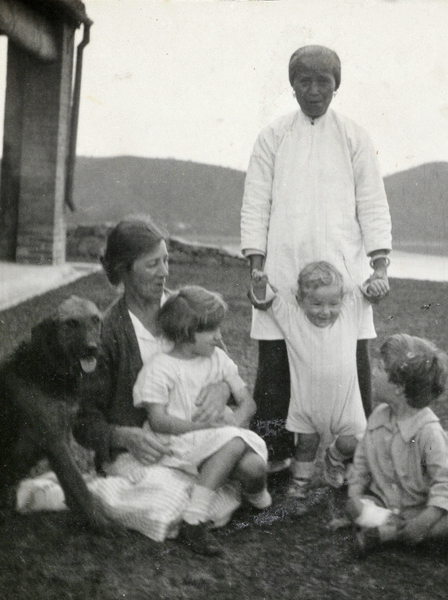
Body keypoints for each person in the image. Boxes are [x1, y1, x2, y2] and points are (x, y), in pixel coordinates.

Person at [240, 44, 392, 470]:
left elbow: (373, 203)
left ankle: (351, 457)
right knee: (275, 368)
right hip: (284, 271)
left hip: (341, 273)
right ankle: (274, 456)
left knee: (351, 364)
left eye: (322, 81)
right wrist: (256, 266)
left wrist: (380, 265)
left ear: (335, 86)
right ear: (291, 85)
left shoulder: (354, 136)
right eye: (303, 80)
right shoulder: (272, 136)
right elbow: (255, 203)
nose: (313, 90)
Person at [73, 215, 242, 545]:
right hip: (143, 455)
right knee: (166, 501)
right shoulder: (106, 333)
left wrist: (222, 389)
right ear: (123, 269)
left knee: (236, 466)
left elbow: (228, 370)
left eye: (165, 260)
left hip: (199, 442)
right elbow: (84, 423)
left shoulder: (187, 309)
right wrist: (126, 436)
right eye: (152, 265)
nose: (165, 272)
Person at [131, 285, 270, 555]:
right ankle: (194, 521)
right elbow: (158, 421)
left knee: (254, 467)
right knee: (232, 443)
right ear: (185, 334)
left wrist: (233, 425)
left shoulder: (218, 359)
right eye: (211, 331)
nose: (219, 337)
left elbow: (248, 403)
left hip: (219, 438)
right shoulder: (160, 368)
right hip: (180, 442)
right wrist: (207, 428)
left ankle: (256, 497)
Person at [251, 262, 379, 498]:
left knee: (356, 442)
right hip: (307, 404)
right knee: (306, 445)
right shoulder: (293, 319)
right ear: (300, 301)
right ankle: (301, 482)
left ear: (341, 300)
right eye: (317, 304)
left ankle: (335, 455)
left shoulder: (348, 316)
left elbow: (368, 291)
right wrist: (260, 285)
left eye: (333, 303)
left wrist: (377, 280)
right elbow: (268, 301)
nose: (325, 311)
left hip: (345, 405)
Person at [345, 334, 448, 558]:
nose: (373, 371)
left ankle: (390, 536)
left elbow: (446, 485)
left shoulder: (429, 431)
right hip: (385, 504)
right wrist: (355, 499)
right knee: (353, 506)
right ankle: (425, 540)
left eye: (380, 367)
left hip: (423, 509)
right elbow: (361, 464)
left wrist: (424, 521)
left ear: (399, 386)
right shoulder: (378, 416)